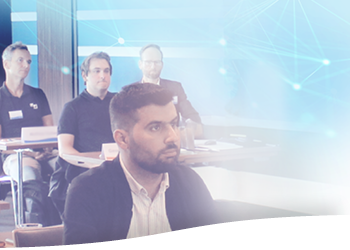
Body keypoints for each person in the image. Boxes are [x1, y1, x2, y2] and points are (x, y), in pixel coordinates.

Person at [63, 83, 218, 244]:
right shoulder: (88, 191)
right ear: (123, 139)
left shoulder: (189, 182)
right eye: (155, 128)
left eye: (173, 124)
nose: (172, 137)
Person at [49, 52, 115, 219]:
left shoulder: (119, 104)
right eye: (97, 71)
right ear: (84, 75)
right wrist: (96, 162)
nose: (103, 76)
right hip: (82, 172)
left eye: (106, 71)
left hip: (115, 168)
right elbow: (65, 150)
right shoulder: (72, 107)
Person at [0, 41, 58, 224]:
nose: (26, 65)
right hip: (14, 155)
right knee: (29, 173)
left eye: (29, 61)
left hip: (44, 153)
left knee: (67, 168)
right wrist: (24, 153)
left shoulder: (38, 94)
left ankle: (64, 226)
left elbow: (51, 130)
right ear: (6, 64)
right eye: (20, 61)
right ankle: (34, 230)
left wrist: (46, 151)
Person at [134, 44, 203, 138]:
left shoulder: (175, 88)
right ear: (140, 64)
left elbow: (192, 116)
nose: (153, 66)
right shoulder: (132, 92)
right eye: (148, 62)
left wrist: (188, 128)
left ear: (162, 65)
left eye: (157, 62)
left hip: (170, 140)